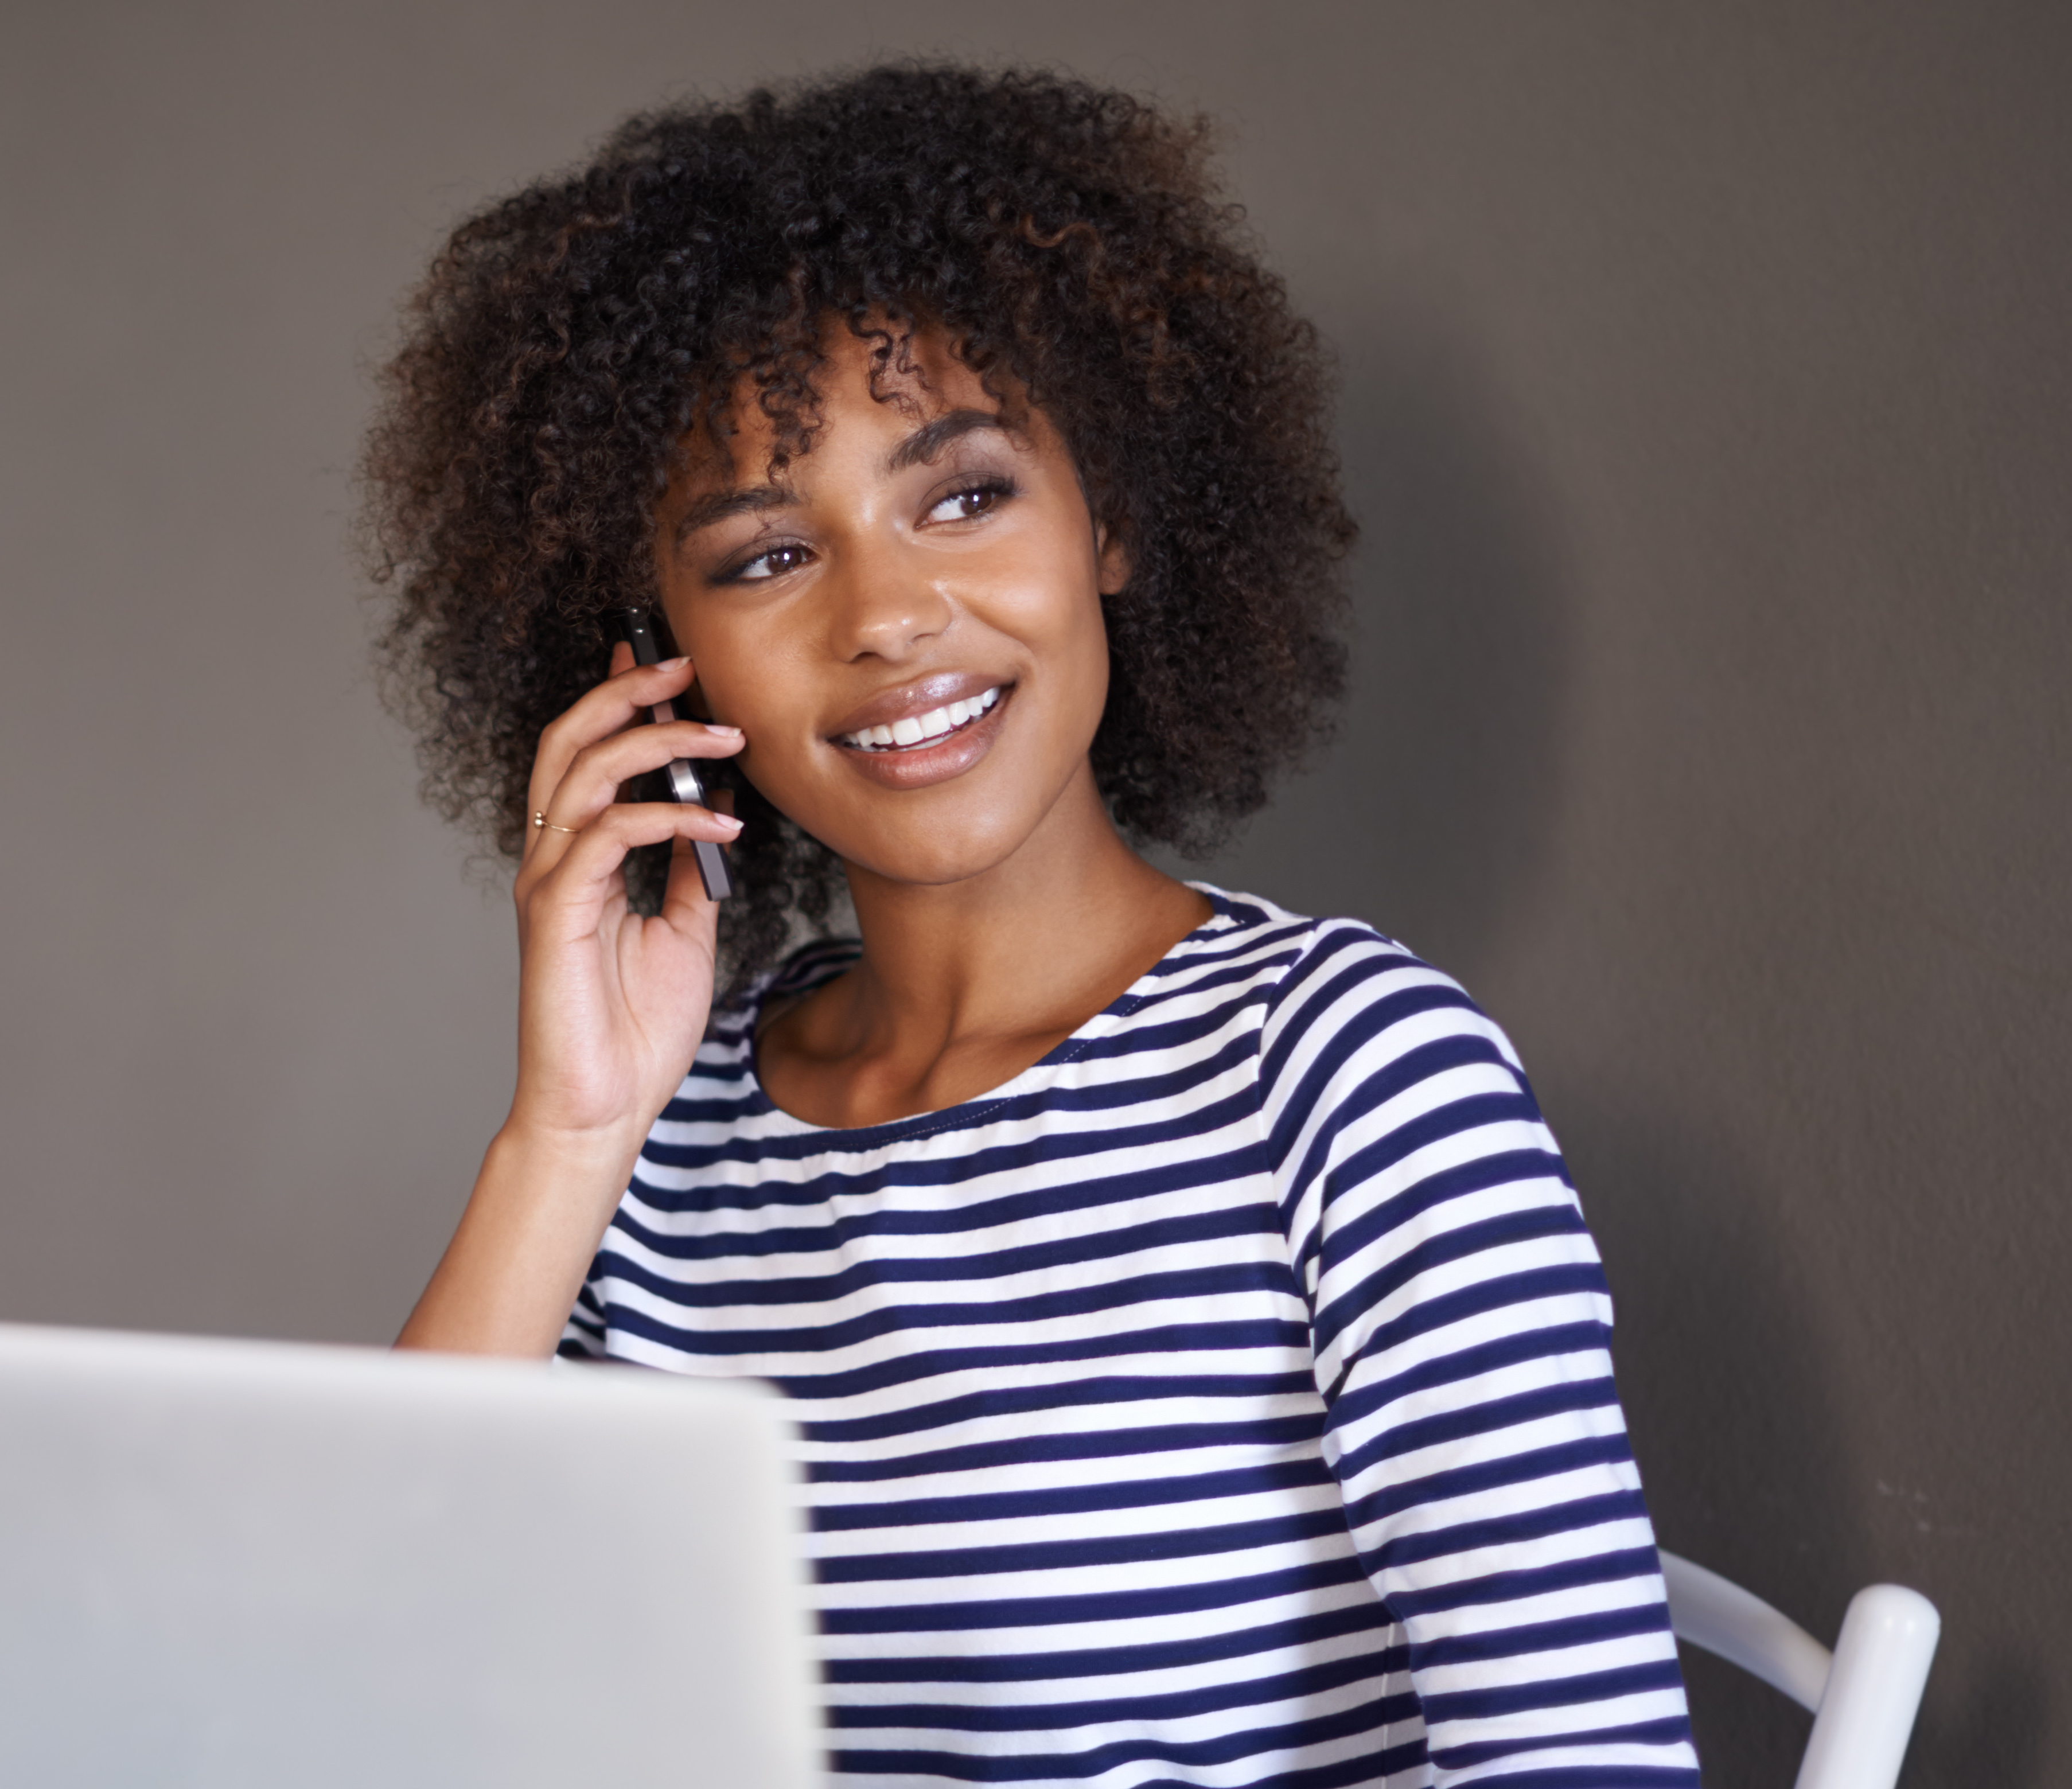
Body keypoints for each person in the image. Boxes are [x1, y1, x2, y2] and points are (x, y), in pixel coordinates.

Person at [363, 63, 1700, 1788]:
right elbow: (366, 1671)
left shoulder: (1351, 1078)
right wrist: (569, 1130)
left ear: (1113, 522)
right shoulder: (667, 1143)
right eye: (768, 556)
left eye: (965, 493)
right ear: (655, 661)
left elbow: (1576, 1761)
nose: (890, 615)